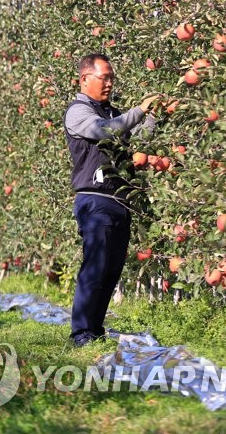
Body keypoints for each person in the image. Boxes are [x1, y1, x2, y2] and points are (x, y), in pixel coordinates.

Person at [63, 54, 157, 348]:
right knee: (95, 265)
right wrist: (138, 111)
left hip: (119, 199)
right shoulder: (78, 113)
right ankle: (81, 333)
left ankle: (95, 327)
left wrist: (154, 115)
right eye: (104, 77)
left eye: (112, 78)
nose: (109, 83)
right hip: (94, 199)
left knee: (111, 268)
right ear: (85, 79)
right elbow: (103, 131)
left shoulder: (112, 113)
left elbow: (138, 141)